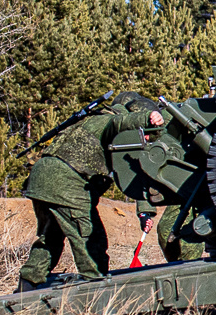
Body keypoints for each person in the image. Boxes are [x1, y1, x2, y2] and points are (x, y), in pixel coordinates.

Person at [16, 99, 155, 289]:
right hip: (65, 180)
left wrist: (145, 211)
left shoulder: (91, 118)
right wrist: (147, 119)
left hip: (41, 177)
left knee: (52, 235)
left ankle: (29, 281)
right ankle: (96, 287)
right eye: (146, 135)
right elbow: (120, 123)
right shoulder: (112, 121)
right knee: (90, 237)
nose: (146, 139)